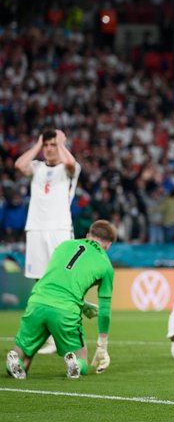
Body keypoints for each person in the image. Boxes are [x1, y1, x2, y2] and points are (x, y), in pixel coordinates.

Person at [6, 220, 117, 379]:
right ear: (109, 245)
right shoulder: (106, 265)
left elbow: (59, 278)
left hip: (37, 302)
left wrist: (83, 304)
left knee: (23, 353)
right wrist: (102, 346)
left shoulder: (64, 245)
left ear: (87, 235)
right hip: (65, 311)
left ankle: (15, 361)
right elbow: (105, 311)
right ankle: (75, 364)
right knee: (82, 358)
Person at [14, 128, 82, 354]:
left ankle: (63, 333)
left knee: (61, 280)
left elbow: (71, 164)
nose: (50, 149)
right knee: (39, 282)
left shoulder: (69, 168)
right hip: (36, 229)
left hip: (60, 229)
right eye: (48, 146)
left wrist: (61, 144)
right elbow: (18, 165)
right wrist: (38, 144)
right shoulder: (37, 167)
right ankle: (44, 335)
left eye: (54, 145)